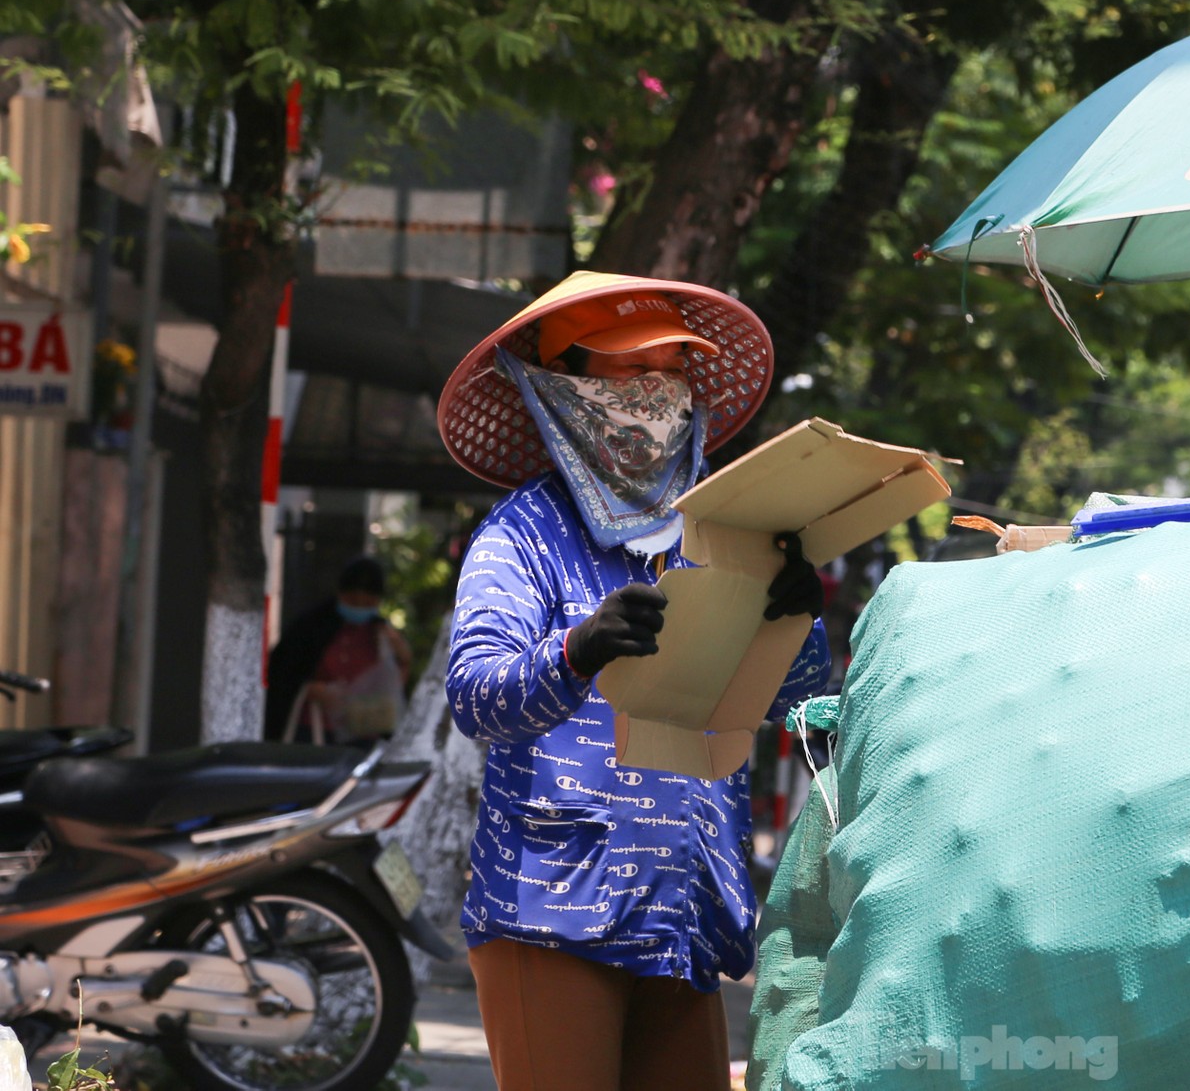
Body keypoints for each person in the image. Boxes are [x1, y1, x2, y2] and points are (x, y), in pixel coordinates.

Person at [435, 271, 829, 1091]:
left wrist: (794, 622)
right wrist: (576, 650)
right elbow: (476, 694)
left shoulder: (722, 529)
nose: (653, 393)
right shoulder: (524, 536)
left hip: (684, 913)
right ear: (563, 390)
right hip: (552, 911)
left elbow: (796, 704)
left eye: (670, 370)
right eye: (625, 371)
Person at [264, 556, 413, 744]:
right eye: (353, 600)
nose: (359, 607)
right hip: (313, 731)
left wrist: (403, 657)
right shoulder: (311, 628)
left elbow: (394, 686)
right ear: (340, 594)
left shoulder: (382, 634)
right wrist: (310, 689)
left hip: (363, 732)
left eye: (367, 603)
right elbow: (283, 672)